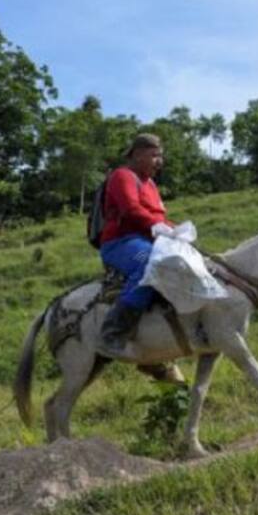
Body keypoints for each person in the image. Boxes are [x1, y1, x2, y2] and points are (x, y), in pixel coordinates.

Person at [96, 133, 175, 358]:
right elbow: (131, 210)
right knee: (150, 264)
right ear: (138, 154)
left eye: (160, 156)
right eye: (155, 155)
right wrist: (160, 227)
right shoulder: (123, 176)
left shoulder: (151, 184)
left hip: (149, 240)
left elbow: (158, 217)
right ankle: (112, 333)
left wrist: (177, 230)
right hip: (120, 242)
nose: (160, 161)